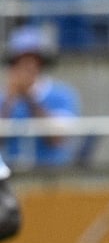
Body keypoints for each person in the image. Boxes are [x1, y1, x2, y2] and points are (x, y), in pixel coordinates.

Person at [0, 24, 82, 169]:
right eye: (20, 61)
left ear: (41, 63)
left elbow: (57, 138)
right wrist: (10, 100)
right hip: (8, 175)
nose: (27, 67)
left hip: (52, 176)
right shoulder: (4, 98)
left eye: (33, 60)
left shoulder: (62, 95)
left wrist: (30, 97)